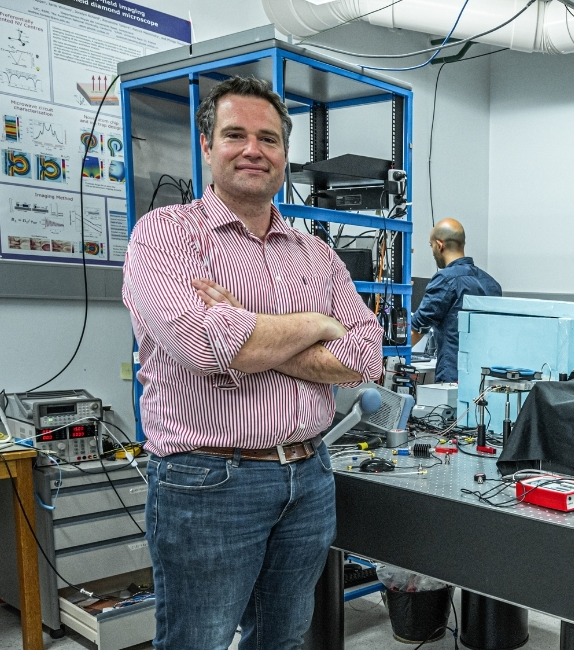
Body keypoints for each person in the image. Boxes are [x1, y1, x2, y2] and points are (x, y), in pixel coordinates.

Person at [122, 76, 384, 650]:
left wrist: (247, 329)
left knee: (282, 641)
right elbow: (203, 345)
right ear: (207, 146)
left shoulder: (315, 254)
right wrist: (315, 325)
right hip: (209, 481)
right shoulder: (165, 237)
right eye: (235, 134)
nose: (252, 149)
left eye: (268, 138)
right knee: (200, 642)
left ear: (284, 155)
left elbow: (367, 353)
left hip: (308, 476)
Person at [410, 218, 501, 386]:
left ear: (439, 245)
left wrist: (385, 355)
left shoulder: (445, 279)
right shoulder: (492, 284)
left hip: (452, 377)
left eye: (431, 246)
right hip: (485, 377)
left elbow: (417, 329)